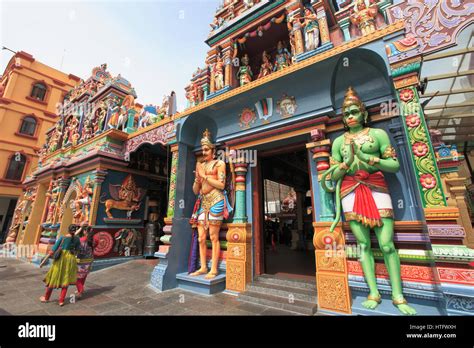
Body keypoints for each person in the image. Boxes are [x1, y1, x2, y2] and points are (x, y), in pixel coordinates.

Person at [40, 224, 80, 306]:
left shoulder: (62, 238)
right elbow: (78, 250)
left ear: (68, 229)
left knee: (53, 277)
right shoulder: (77, 239)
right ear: (75, 230)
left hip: (60, 259)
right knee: (66, 278)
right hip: (71, 259)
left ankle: (46, 298)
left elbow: (53, 250)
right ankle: (61, 300)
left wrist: (44, 261)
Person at [74, 224, 97, 298]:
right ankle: (80, 289)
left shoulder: (81, 240)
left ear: (84, 231)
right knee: (83, 276)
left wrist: (80, 228)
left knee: (77, 277)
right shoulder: (94, 239)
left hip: (81, 260)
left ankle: (80, 291)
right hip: (89, 259)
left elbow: (73, 237)